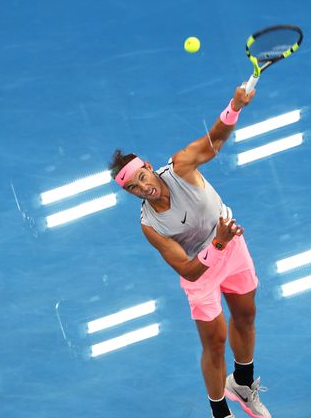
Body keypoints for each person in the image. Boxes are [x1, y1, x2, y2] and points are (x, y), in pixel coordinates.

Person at [109, 84, 270, 418]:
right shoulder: (149, 225)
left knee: (246, 315)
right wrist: (218, 243)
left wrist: (235, 105)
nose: (144, 187)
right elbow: (187, 270)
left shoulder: (181, 166)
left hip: (231, 245)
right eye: (133, 187)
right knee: (214, 343)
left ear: (149, 166)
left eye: (142, 176)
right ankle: (220, 413)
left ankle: (242, 383)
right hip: (202, 270)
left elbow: (215, 140)